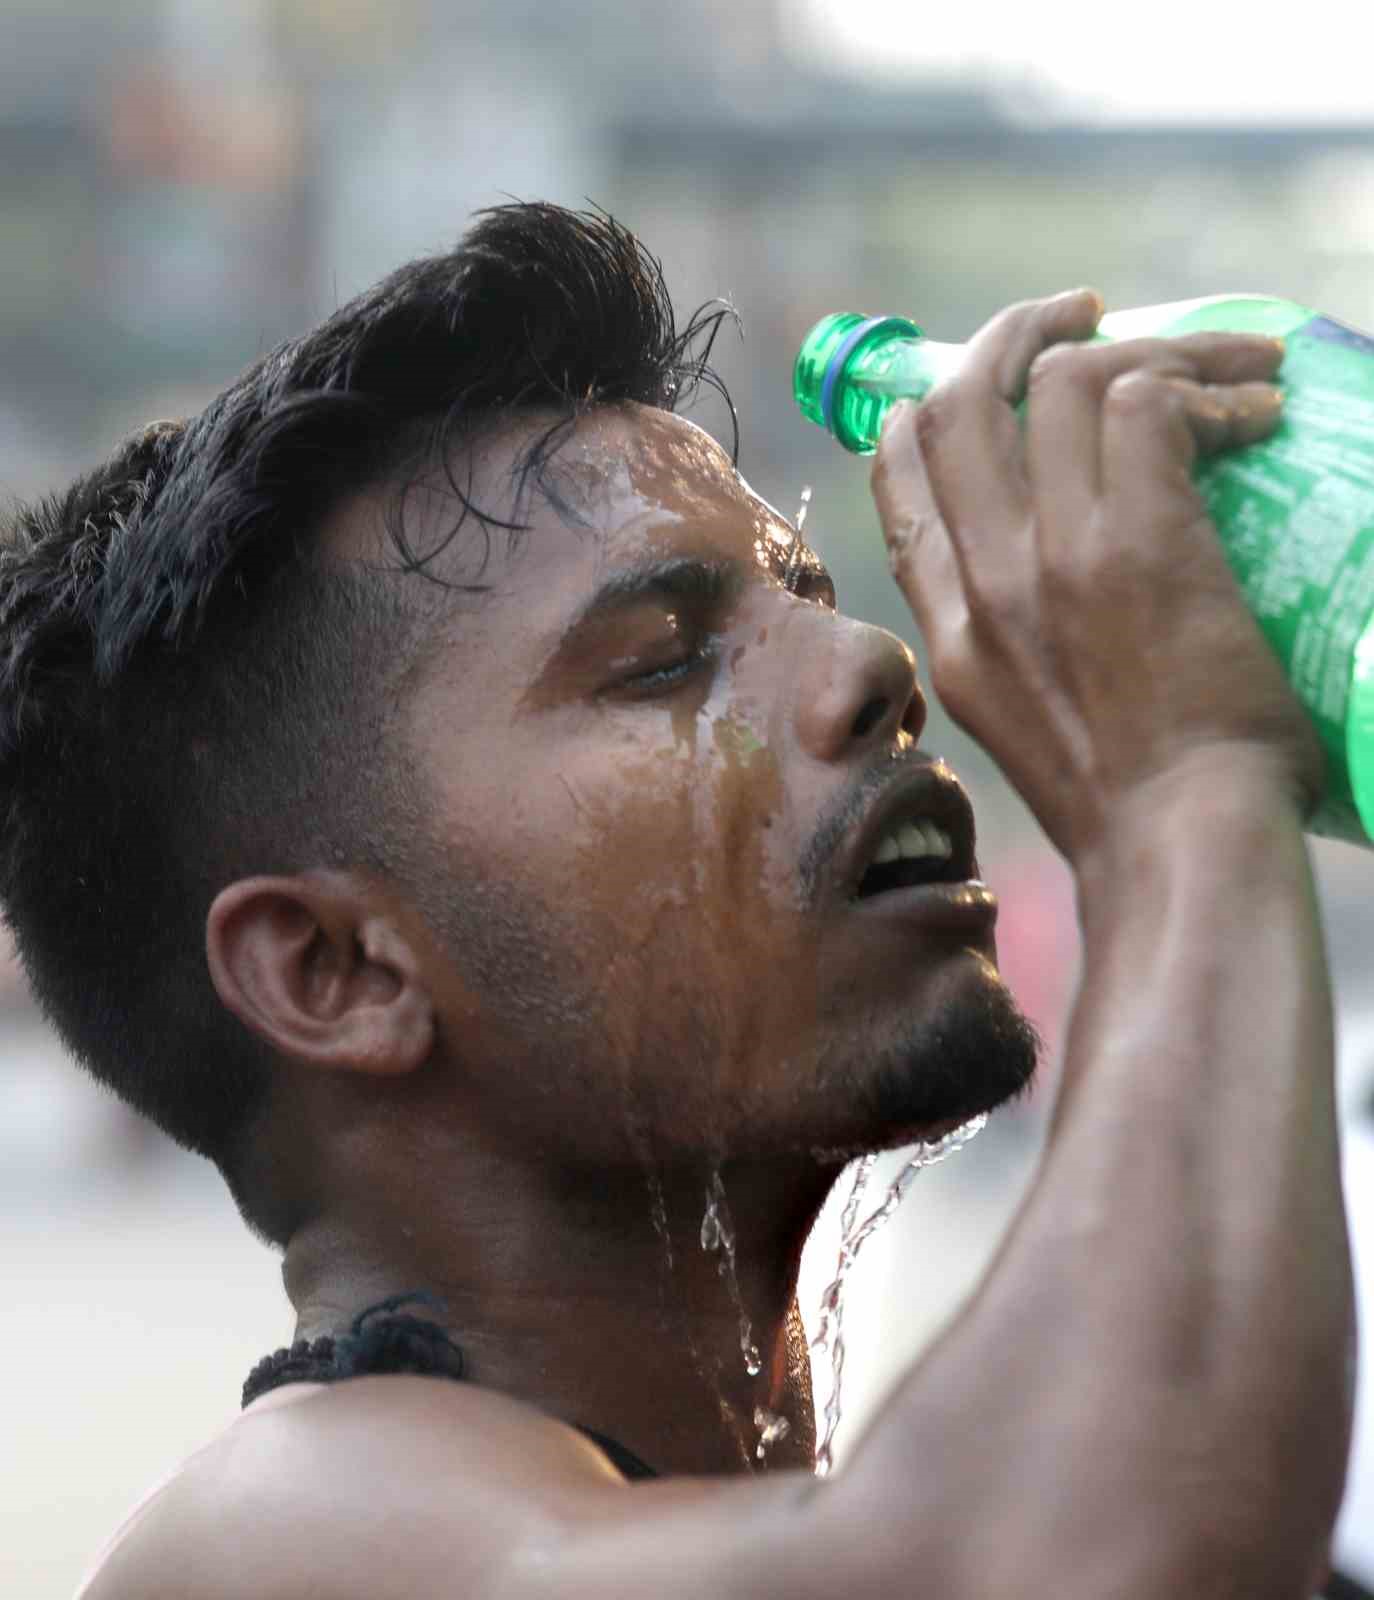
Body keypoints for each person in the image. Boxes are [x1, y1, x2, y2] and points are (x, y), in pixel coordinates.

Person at [2, 202, 1354, 1597]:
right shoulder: (283, 1534)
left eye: (808, 599)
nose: (870, 664)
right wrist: (1179, 786)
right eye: (659, 663)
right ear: (334, 970)